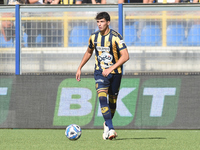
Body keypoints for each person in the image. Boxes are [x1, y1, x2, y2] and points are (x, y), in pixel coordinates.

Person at [76, 12, 129, 140]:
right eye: (98, 22)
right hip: (100, 72)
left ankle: (107, 124)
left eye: (102, 22)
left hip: (115, 74)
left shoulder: (116, 37)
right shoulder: (94, 37)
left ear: (108, 23)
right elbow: (89, 52)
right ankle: (111, 129)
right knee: (102, 98)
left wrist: (111, 68)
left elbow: (126, 56)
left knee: (112, 103)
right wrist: (79, 67)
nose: (99, 24)